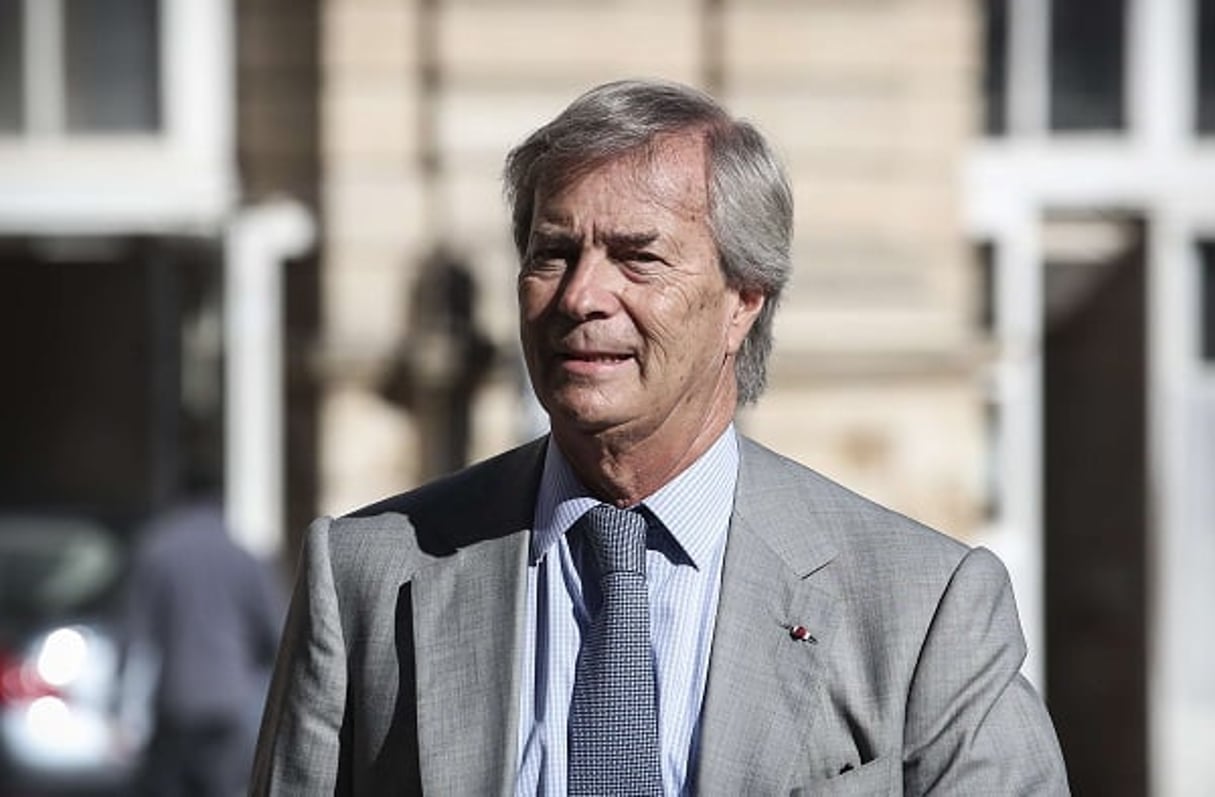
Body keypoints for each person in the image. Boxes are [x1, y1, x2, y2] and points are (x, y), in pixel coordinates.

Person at [252, 79, 1069, 795]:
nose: (581, 296)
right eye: (553, 254)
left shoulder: (921, 605)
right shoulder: (368, 575)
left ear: (741, 300)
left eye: (637, 258)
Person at [123, 499, 284, 797]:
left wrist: (125, 713)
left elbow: (137, 637)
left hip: (175, 699)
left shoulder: (158, 552)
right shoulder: (244, 557)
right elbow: (275, 634)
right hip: (230, 698)